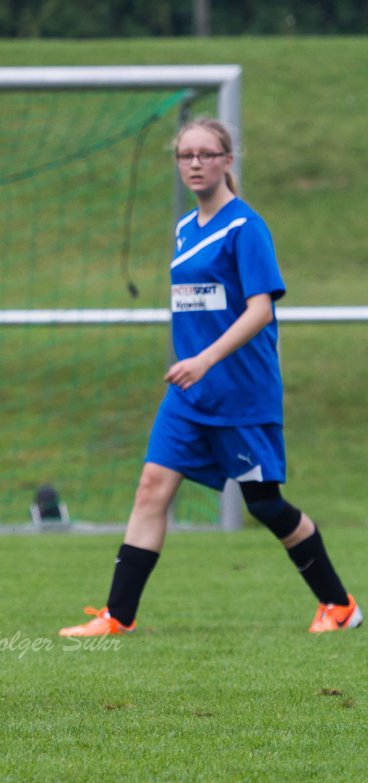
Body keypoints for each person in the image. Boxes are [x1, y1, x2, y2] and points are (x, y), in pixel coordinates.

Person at [60, 117, 360, 638]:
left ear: (228, 159)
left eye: (205, 153)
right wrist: (192, 365)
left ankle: (340, 606)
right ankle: (117, 616)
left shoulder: (247, 228)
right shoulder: (182, 228)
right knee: (151, 488)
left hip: (241, 393)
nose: (195, 163)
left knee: (265, 505)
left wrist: (206, 358)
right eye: (185, 155)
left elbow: (260, 310)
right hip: (190, 395)